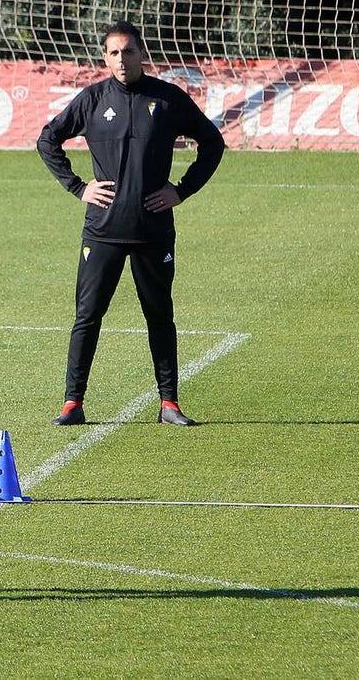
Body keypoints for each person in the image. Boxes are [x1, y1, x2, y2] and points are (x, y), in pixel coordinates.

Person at [37, 21, 224, 427]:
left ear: (142, 54)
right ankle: (73, 403)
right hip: (102, 230)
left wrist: (181, 190)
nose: (122, 59)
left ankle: (169, 403)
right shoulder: (92, 100)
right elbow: (48, 140)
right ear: (105, 58)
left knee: (159, 314)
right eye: (114, 53)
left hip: (153, 229)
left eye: (129, 51)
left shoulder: (169, 99)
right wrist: (78, 186)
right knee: (87, 316)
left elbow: (213, 143)